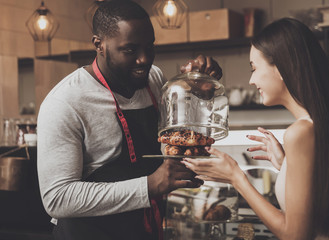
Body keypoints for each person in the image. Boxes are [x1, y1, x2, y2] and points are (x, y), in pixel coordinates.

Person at [36, 1, 222, 239]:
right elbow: (57, 199)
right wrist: (150, 185)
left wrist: (197, 92)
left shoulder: (153, 78)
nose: (144, 59)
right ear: (99, 45)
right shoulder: (65, 102)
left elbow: (173, 142)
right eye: (130, 50)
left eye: (149, 47)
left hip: (145, 229)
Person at [183, 18, 329, 240]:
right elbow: (328, 194)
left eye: (254, 68)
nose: (251, 80)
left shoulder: (299, 132)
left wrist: (236, 177)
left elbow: (294, 235)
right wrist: (286, 164)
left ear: (283, 68)